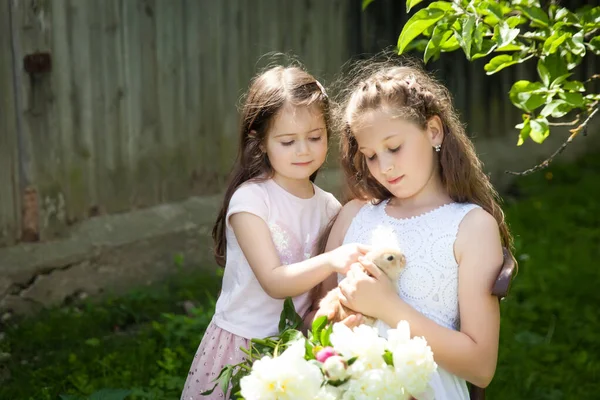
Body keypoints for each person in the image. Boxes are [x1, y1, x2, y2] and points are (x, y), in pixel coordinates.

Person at [316, 60, 513, 399]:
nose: (385, 167)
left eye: (394, 147)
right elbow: (314, 319)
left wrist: (388, 308)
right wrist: (336, 326)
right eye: (371, 155)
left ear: (433, 131)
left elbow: (481, 365)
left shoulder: (471, 226)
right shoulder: (354, 216)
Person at [181, 65, 367, 400]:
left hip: (295, 348)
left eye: (315, 137)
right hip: (241, 345)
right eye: (287, 141)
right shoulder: (251, 200)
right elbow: (275, 282)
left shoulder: (328, 208)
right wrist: (333, 259)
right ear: (261, 141)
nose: (303, 151)